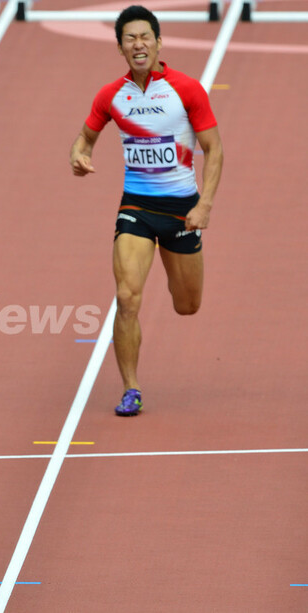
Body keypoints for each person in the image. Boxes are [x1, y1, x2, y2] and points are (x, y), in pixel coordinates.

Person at [69, 5, 223, 416]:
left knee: (187, 305)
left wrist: (204, 205)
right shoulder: (111, 95)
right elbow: (84, 139)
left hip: (182, 212)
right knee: (126, 296)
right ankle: (131, 388)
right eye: (130, 38)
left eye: (145, 37)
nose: (138, 44)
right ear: (120, 47)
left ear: (158, 41)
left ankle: (177, 267)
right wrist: (78, 155)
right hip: (136, 207)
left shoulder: (186, 89)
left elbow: (214, 149)